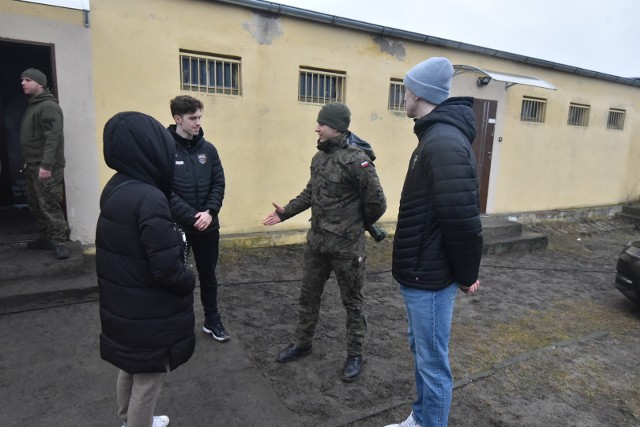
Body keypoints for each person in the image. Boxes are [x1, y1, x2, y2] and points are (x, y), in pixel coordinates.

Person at [385, 57, 483, 427]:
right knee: (422, 353)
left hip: (431, 277)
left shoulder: (442, 142)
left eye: (406, 88)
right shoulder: (432, 136)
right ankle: (421, 418)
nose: (403, 95)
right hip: (420, 273)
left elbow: (462, 221)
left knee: (433, 364)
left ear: (419, 93)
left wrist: (466, 274)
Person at [262, 102, 387, 382]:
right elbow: (311, 193)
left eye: (322, 124)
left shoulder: (357, 160)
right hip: (317, 244)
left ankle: (355, 355)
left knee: (352, 303)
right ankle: (302, 343)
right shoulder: (319, 158)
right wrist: (286, 212)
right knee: (308, 297)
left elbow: (377, 203)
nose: (316, 128)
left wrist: (354, 224)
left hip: (346, 249)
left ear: (337, 128)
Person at [97, 111, 196, 427]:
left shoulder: (116, 187)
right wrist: (189, 277)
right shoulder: (150, 197)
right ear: (148, 149)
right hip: (150, 310)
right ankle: (139, 423)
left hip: (125, 305)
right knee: (149, 377)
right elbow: (168, 269)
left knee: (130, 366)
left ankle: (128, 420)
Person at [168, 95, 229, 342]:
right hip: (178, 228)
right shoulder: (164, 148)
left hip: (208, 226)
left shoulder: (209, 149)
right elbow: (164, 190)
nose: (198, 122)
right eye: (193, 118)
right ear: (177, 119)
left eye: (200, 117)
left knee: (208, 276)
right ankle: (176, 325)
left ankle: (212, 320)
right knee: (174, 277)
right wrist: (191, 216)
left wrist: (210, 212)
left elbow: (219, 183)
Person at [19, 68, 70, 259]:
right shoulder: (33, 105)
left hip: (46, 167)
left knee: (49, 204)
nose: (23, 83)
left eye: (28, 80)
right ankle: (45, 238)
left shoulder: (48, 106)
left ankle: (60, 243)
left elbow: (53, 137)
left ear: (40, 83)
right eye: (22, 80)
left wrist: (46, 165)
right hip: (32, 165)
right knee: (36, 205)